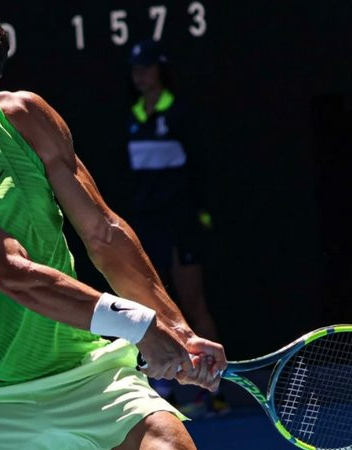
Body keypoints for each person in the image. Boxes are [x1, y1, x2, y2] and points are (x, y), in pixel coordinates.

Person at [0, 4, 226, 449]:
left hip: (93, 378)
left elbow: (104, 233)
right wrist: (139, 325)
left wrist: (177, 329)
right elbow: (15, 276)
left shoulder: (28, 119)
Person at [124, 39, 226, 416]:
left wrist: (200, 214)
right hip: (149, 223)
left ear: (160, 71)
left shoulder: (180, 112)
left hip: (181, 220)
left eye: (147, 68)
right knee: (150, 305)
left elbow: (199, 167)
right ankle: (161, 386)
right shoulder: (133, 114)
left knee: (193, 302)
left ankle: (213, 391)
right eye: (136, 70)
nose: (141, 76)